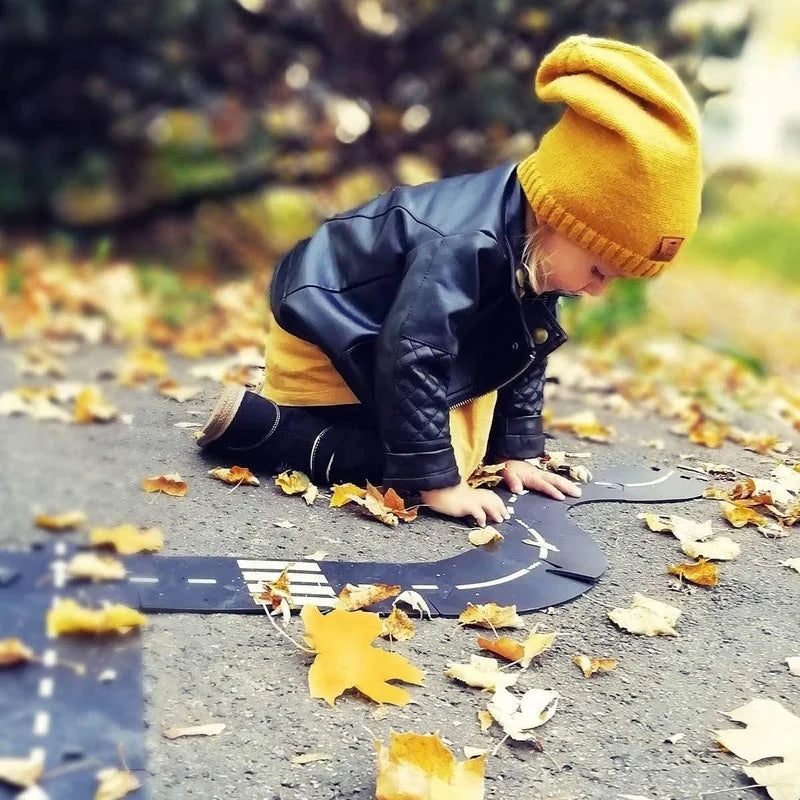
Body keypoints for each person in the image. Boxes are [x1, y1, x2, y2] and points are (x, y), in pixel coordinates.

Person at [197, 34, 702, 527]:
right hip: (327, 329)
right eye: (598, 270)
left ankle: (392, 443)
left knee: (470, 444)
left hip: (386, 324)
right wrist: (437, 483)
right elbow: (412, 352)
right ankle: (265, 429)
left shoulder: (532, 244)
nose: (596, 290)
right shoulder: (464, 243)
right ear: (556, 218)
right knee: (445, 461)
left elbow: (519, 350)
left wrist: (517, 453)